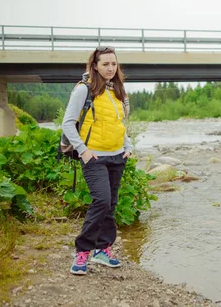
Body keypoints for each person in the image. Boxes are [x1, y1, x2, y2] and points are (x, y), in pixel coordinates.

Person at [62, 46, 132, 275]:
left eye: (114, 64)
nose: (110, 68)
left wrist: (127, 146)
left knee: (110, 205)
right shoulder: (85, 89)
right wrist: (83, 150)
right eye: (105, 64)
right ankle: (82, 252)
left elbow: (121, 124)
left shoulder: (118, 90)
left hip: (117, 155)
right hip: (94, 156)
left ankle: (103, 249)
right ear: (95, 65)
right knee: (101, 200)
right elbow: (68, 123)